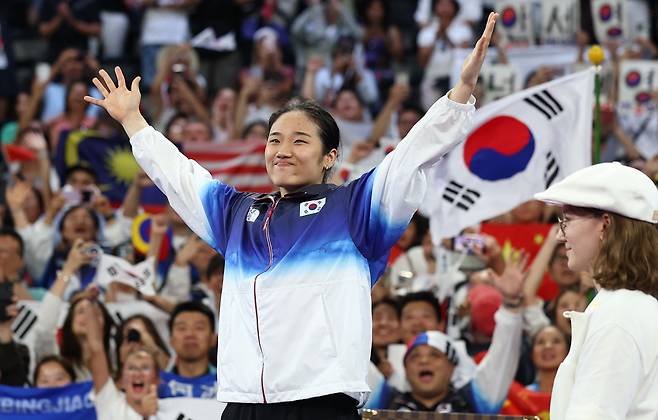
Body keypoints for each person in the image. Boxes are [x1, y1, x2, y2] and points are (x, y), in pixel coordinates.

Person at [84, 12, 499, 419]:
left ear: (329, 156)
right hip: (242, 401)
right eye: (274, 140)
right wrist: (134, 121)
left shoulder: (354, 208)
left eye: (300, 141)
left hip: (321, 401)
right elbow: (180, 177)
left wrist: (459, 93)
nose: (282, 150)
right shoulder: (237, 214)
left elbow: (410, 158)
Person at [534, 162, 658, 419]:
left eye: (566, 220)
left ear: (604, 224)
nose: (559, 235)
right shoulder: (630, 307)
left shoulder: (619, 314)